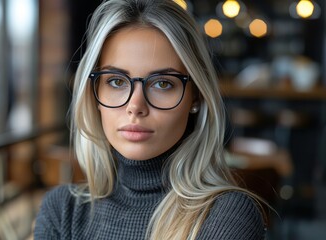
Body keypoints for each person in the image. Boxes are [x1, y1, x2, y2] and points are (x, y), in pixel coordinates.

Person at [34, 0, 269, 239]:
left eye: (162, 84)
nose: (135, 106)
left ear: (195, 97)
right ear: (94, 92)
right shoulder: (63, 211)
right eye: (116, 81)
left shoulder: (227, 217)